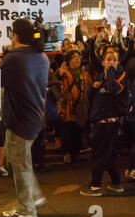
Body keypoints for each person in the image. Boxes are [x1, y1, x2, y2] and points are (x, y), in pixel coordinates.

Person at [0, 18, 49, 217]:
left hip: (20, 119)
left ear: (15, 35)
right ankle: (34, 196)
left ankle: (26, 208)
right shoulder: (42, 56)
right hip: (35, 117)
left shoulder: (14, 58)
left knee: (19, 164)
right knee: (19, 159)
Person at [80, 50, 128, 196]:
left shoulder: (118, 77)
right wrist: (93, 88)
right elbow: (90, 96)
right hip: (99, 122)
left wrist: (112, 71)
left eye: (114, 60)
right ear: (103, 62)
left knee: (99, 155)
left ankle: (95, 186)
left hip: (109, 123)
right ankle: (116, 183)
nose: (111, 62)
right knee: (108, 155)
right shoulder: (101, 76)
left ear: (118, 62)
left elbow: (111, 89)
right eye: (108, 60)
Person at [55, 50, 92, 164]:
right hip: (67, 108)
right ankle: (67, 153)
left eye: (78, 57)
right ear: (68, 60)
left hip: (81, 109)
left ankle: (76, 153)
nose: (77, 59)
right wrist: (59, 74)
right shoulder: (64, 73)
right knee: (67, 131)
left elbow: (89, 89)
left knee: (77, 131)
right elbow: (55, 82)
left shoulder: (85, 74)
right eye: (74, 57)